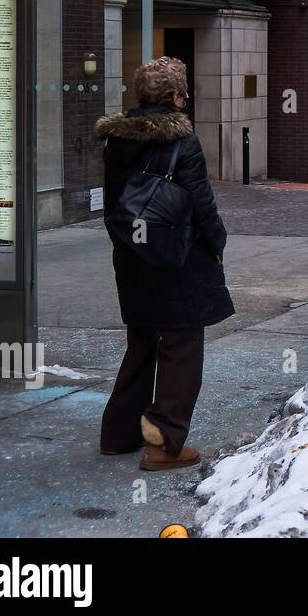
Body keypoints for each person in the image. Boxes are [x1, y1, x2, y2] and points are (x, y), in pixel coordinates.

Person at [96, 56, 232, 471]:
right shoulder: (182, 141)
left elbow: (113, 203)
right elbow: (199, 203)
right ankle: (163, 441)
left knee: (142, 341)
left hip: (133, 255)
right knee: (181, 346)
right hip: (178, 258)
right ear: (175, 97)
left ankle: (118, 435)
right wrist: (217, 241)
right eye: (183, 93)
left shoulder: (116, 140)